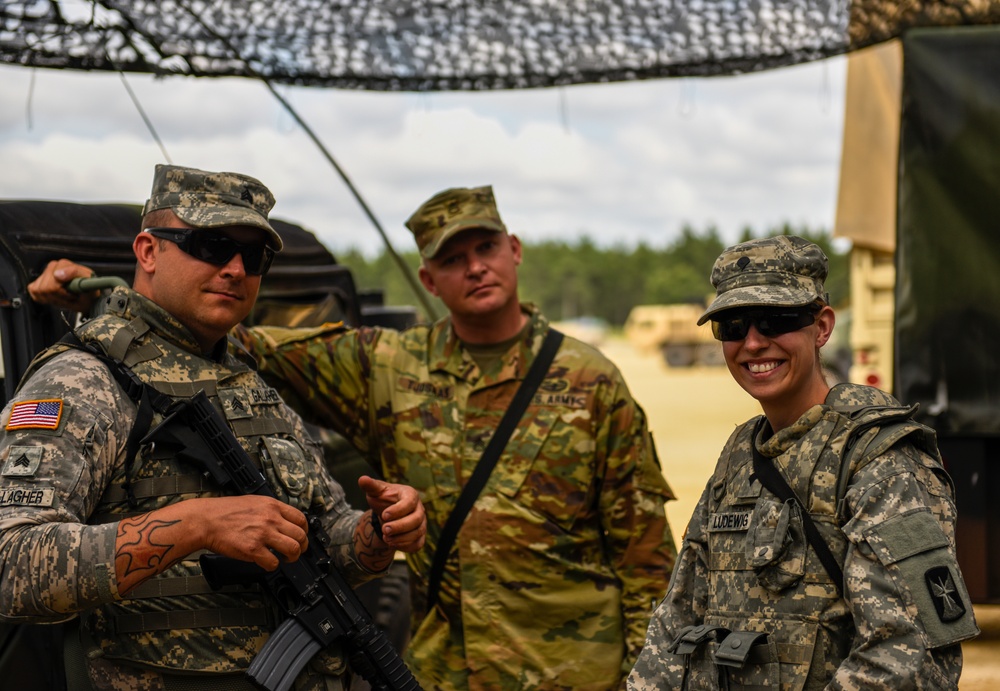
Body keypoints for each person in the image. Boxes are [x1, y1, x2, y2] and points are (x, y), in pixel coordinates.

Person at [28, 185, 678, 691]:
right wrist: (103, 295)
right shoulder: (385, 364)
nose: (475, 268)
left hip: (573, 669)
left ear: (515, 248)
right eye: (452, 258)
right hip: (444, 668)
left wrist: (651, 677)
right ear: (427, 279)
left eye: (484, 248)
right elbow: (199, 339)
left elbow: (648, 559)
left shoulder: (593, 380)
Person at [2, 163, 427, 691]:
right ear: (149, 251)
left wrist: (375, 533)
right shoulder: (82, 379)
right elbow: (12, 567)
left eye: (253, 256)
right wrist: (196, 526)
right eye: (210, 245)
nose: (234, 268)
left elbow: (323, 537)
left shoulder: (250, 384)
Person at [628, 235, 980, 690]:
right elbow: (675, 624)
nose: (753, 343)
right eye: (732, 326)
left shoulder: (880, 459)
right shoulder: (740, 456)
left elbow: (908, 657)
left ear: (822, 327)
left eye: (776, 321)